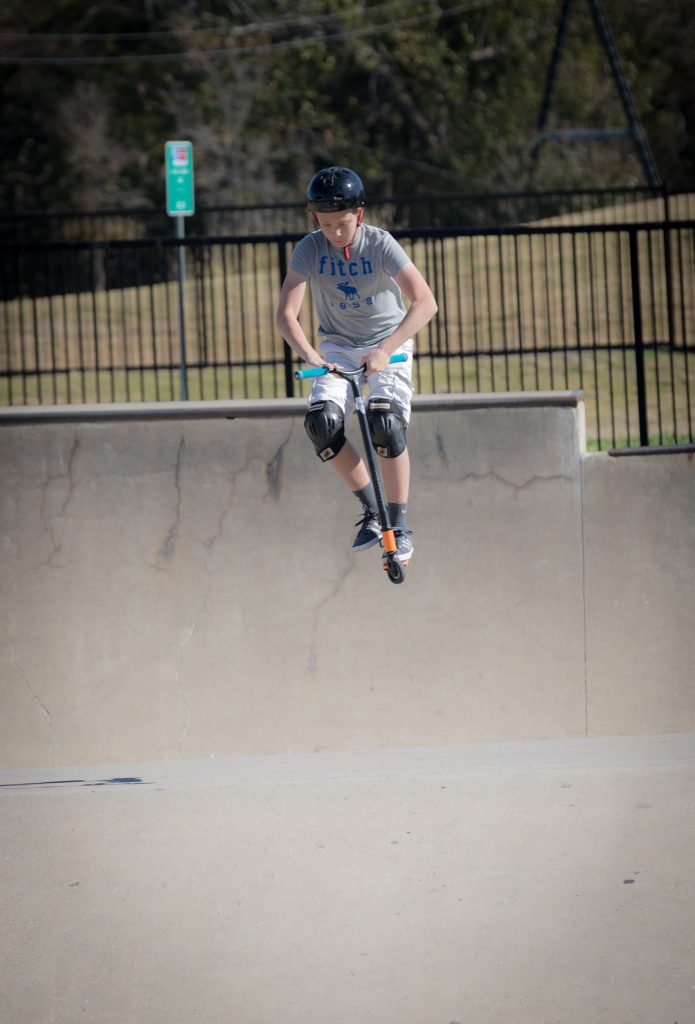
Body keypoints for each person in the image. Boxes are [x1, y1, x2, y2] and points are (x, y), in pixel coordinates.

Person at [275, 166, 438, 567]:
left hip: (387, 346)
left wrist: (384, 350)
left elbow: (425, 302)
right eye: (326, 224)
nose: (335, 233)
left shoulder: (381, 244)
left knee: (385, 423)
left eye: (343, 224)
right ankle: (372, 512)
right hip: (337, 350)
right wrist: (314, 358)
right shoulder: (309, 249)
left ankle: (398, 526)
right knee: (321, 425)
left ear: (359, 215)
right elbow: (286, 315)